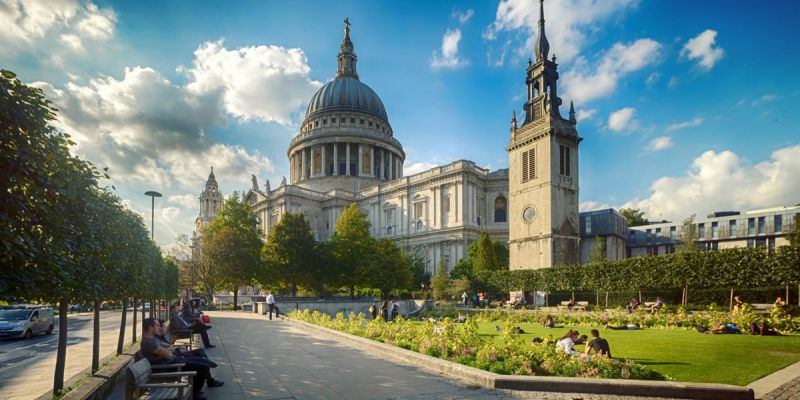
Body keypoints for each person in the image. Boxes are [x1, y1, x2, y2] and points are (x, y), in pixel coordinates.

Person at [140, 318, 223, 400]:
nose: (159, 327)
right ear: (151, 327)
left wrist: (169, 351)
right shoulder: (148, 342)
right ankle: (195, 393)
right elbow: (168, 355)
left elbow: (167, 351)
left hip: (173, 361)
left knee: (202, 362)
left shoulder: (153, 339)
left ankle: (207, 373)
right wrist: (169, 351)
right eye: (157, 325)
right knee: (203, 367)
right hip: (167, 367)